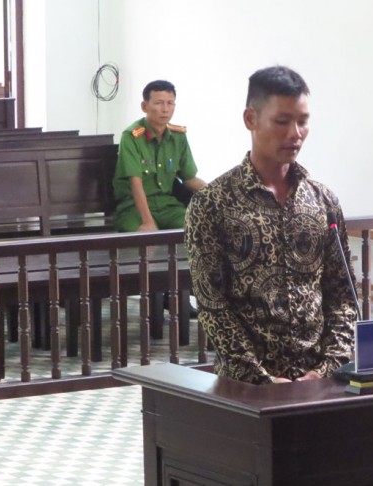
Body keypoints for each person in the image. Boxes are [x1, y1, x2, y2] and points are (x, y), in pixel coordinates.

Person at [184, 65, 357, 384]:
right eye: (282, 121)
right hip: (245, 387)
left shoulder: (323, 201)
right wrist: (261, 378)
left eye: (303, 121)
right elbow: (213, 305)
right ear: (250, 119)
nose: (295, 133)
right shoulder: (212, 204)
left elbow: (342, 294)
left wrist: (326, 369)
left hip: (319, 383)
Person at [113, 80, 206, 232]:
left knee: (200, 229)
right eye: (159, 103)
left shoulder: (178, 137)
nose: (165, 109)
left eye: (170, 103)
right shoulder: (132, 136)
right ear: (144, 106)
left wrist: (220, 195)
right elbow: (135, 183)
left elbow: (189, 179)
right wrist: (148, 222)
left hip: (168, 206)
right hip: (134, 208)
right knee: (146, 238)